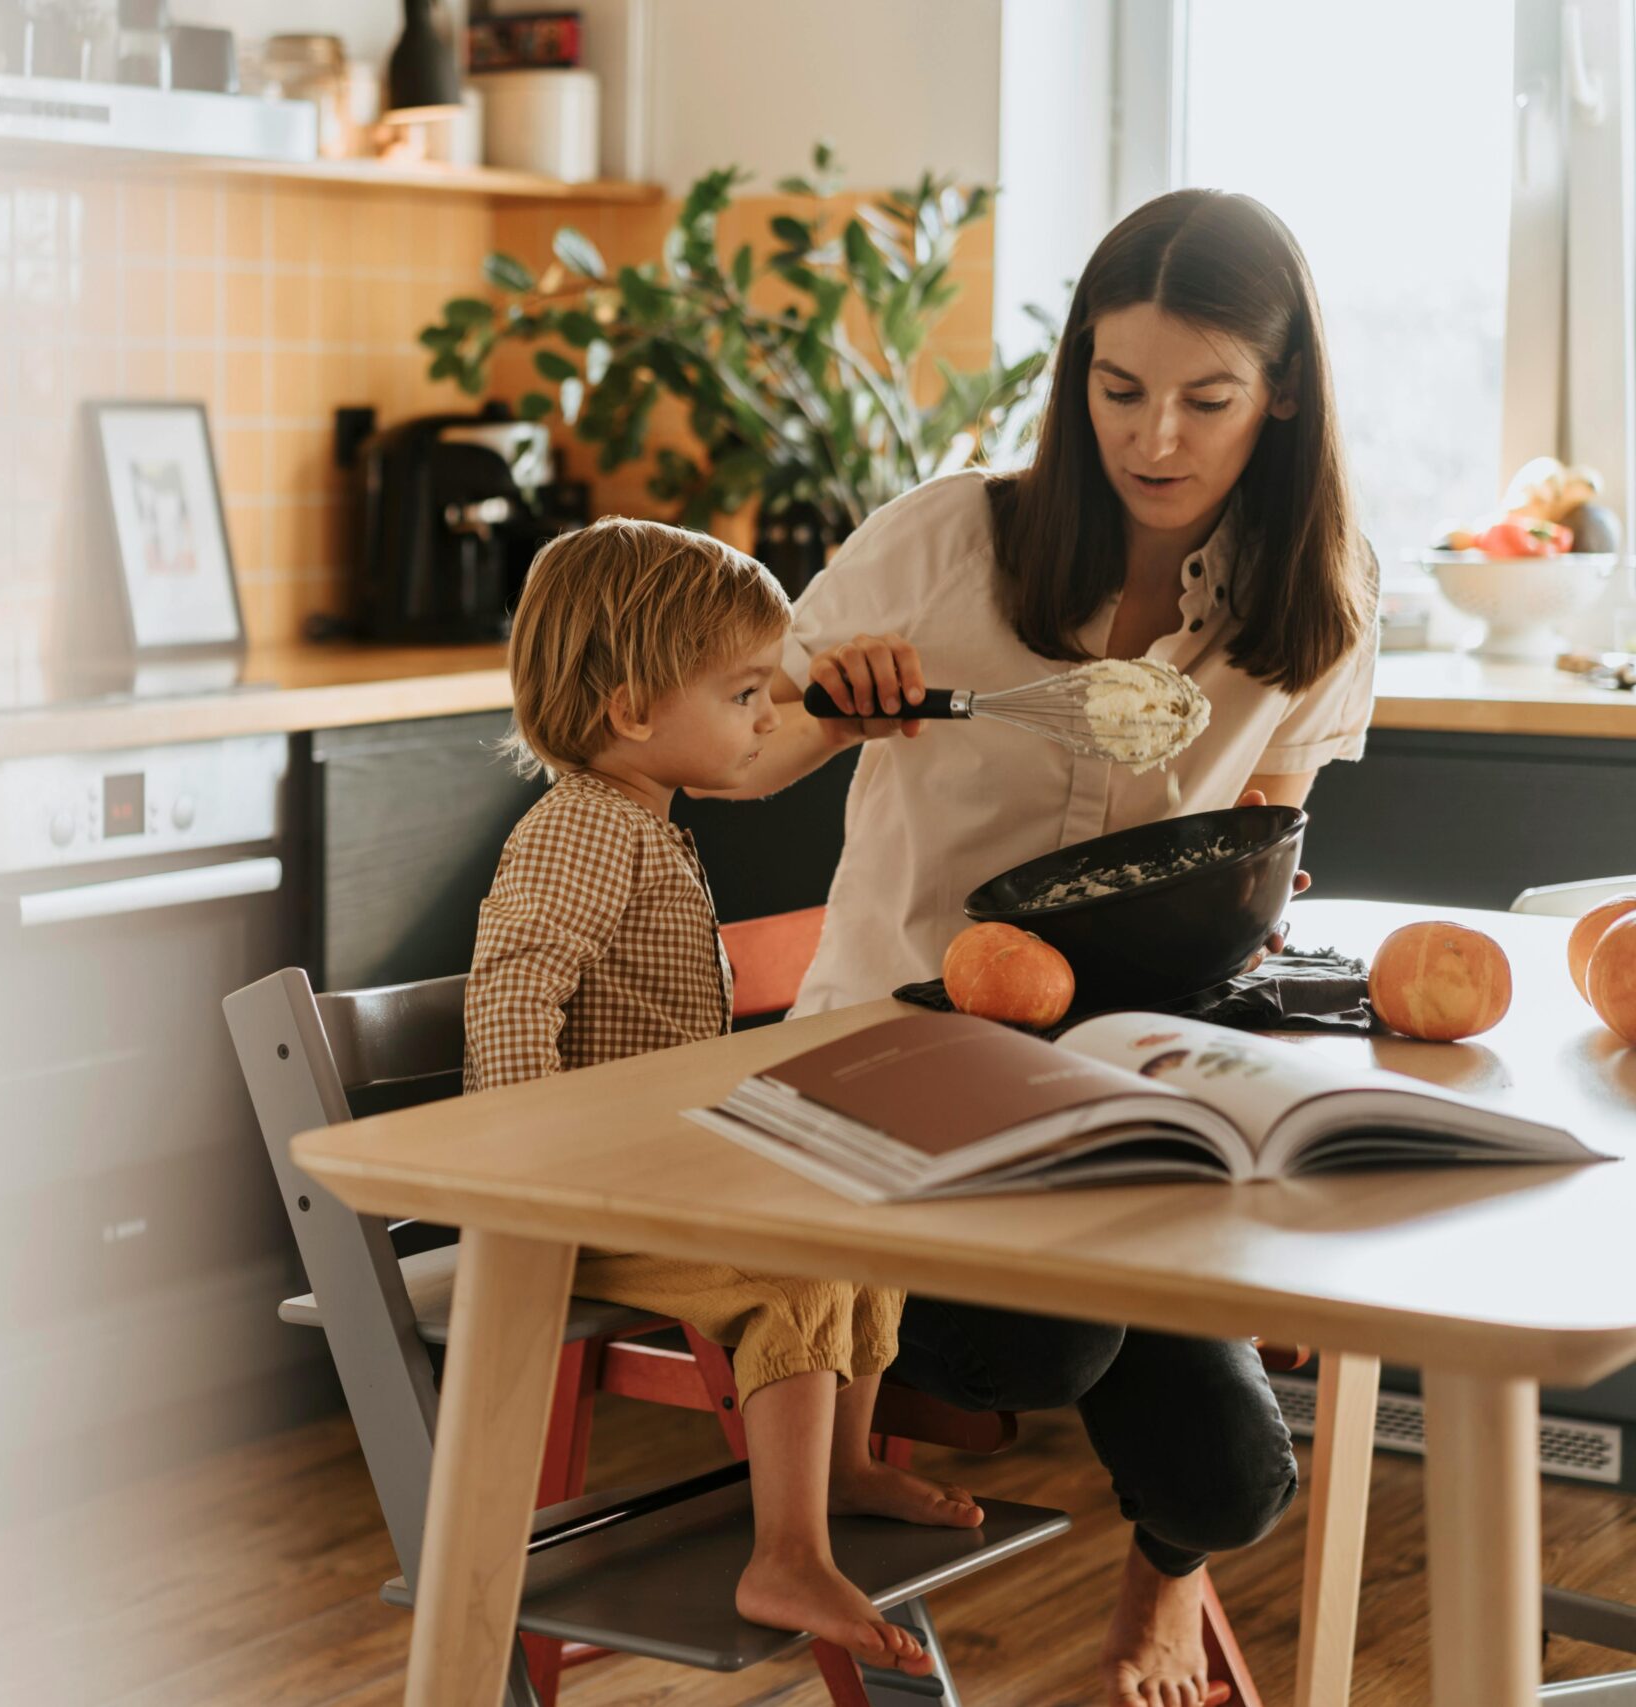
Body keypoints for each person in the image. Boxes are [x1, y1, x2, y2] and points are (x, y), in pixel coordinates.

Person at [709, 189, 1378, 1707]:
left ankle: (1158, 1584)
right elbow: (734, 753)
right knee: (1048, 1349)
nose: (1156, 437)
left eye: (1206, 398)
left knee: (1236, 1473)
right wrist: (819, 701)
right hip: (889, 1081)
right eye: (1119, 388)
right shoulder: (951, 543)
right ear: (1076, 377)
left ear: (1280, 396)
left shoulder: (1319, 609)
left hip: (1110, 1092)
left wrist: (1252, 891)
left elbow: (1261, 833)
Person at [463, 516, 978, 1674]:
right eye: (744, 691)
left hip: (644, 1177)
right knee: (795, 1261)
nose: (764, 715)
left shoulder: (637, 819)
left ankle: (837, 1470)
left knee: (859, 1216)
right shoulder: (586, 832)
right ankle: (785, 1548)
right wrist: (526, 1168)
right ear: (636, 709)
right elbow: (508, 991)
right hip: (579, 1203)